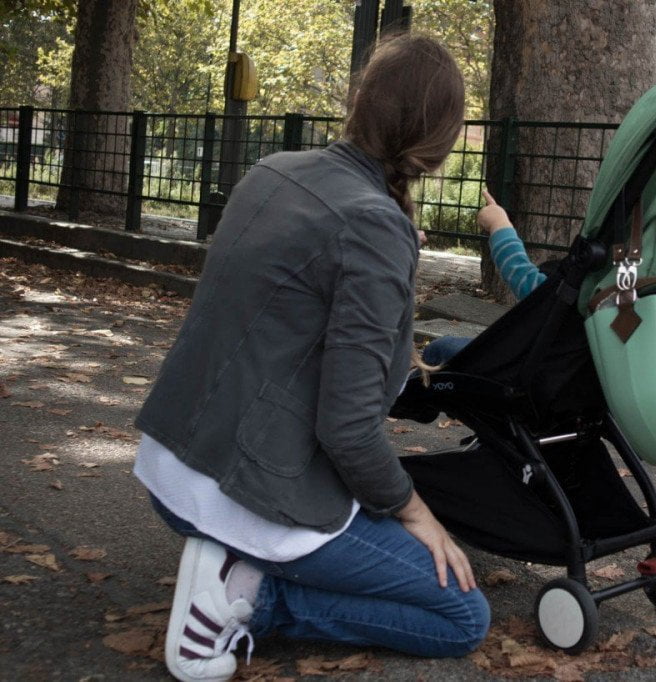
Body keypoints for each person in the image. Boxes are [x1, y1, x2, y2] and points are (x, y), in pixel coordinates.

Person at [132, 35, 489, 682]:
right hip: (247, 493)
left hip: (171, 467)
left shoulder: (275, 170)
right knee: (461, 615)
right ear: (436, 142)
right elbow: (349, 427)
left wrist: (392, 247)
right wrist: (417, 513)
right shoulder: (374, 226)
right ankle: (243, 595)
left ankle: (231, 565)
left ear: (361, 102)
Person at [421, 189, 545, 366]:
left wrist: (499, 224)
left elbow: (523, 276)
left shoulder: (579, 296)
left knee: (438, 349)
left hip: (524, 365)